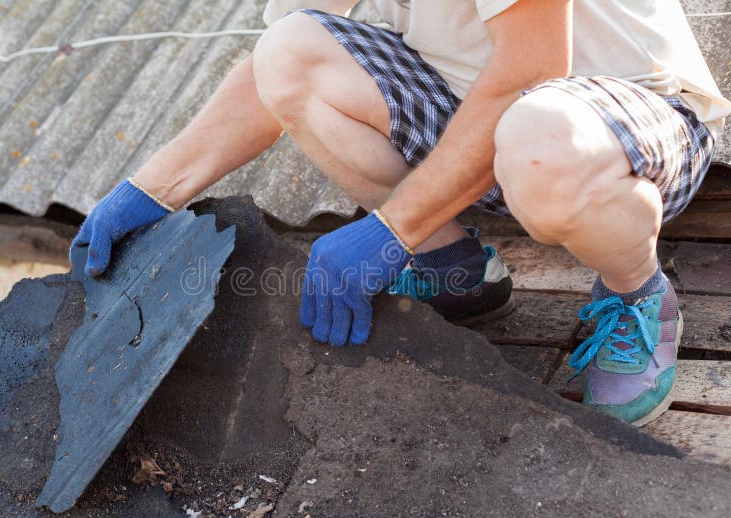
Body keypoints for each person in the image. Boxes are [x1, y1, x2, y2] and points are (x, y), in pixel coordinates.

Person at [72, 0, 731, 426]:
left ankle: (637, 294)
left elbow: (534, 66)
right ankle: (453, 264)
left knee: (542, 139)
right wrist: (151, 190)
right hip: (484, 116)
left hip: (623, 122)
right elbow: (269, 74)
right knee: (290, 51)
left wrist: (388, 232)